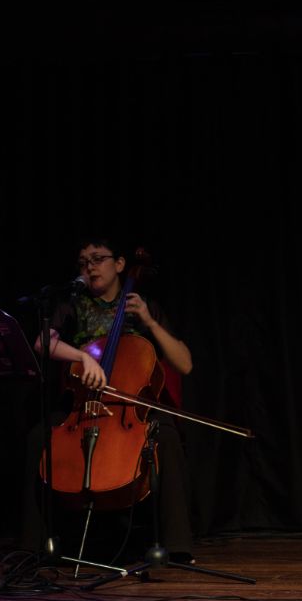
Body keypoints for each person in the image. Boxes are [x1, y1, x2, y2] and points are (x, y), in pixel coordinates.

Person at [26, 237, 196, 565]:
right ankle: (34, 543)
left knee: (168, 436)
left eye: (98, 259)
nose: (89, 267)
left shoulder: (143, 306)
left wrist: (148, 321)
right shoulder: (71, 305)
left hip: (128, 405)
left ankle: (176, 545)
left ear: (119, 265)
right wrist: (82, 357)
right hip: (81, 402)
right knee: (38, 437)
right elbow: (43, 342)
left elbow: (184, 363)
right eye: (83, 262)